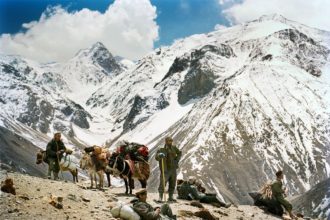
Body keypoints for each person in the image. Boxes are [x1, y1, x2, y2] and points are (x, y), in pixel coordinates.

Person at [155, 137, 182, 202]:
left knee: (172, 183)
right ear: (166, 141)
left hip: (173, 169)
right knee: (163, 183)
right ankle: (160, 197)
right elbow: (156, 157)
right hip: (165, 169)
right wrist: (159, 155)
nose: (170, 142)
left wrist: (177, 160)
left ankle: (170, 197)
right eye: (169, 141)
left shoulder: (174, 148)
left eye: (171, 141)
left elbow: (179, 153)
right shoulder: (161, 149)